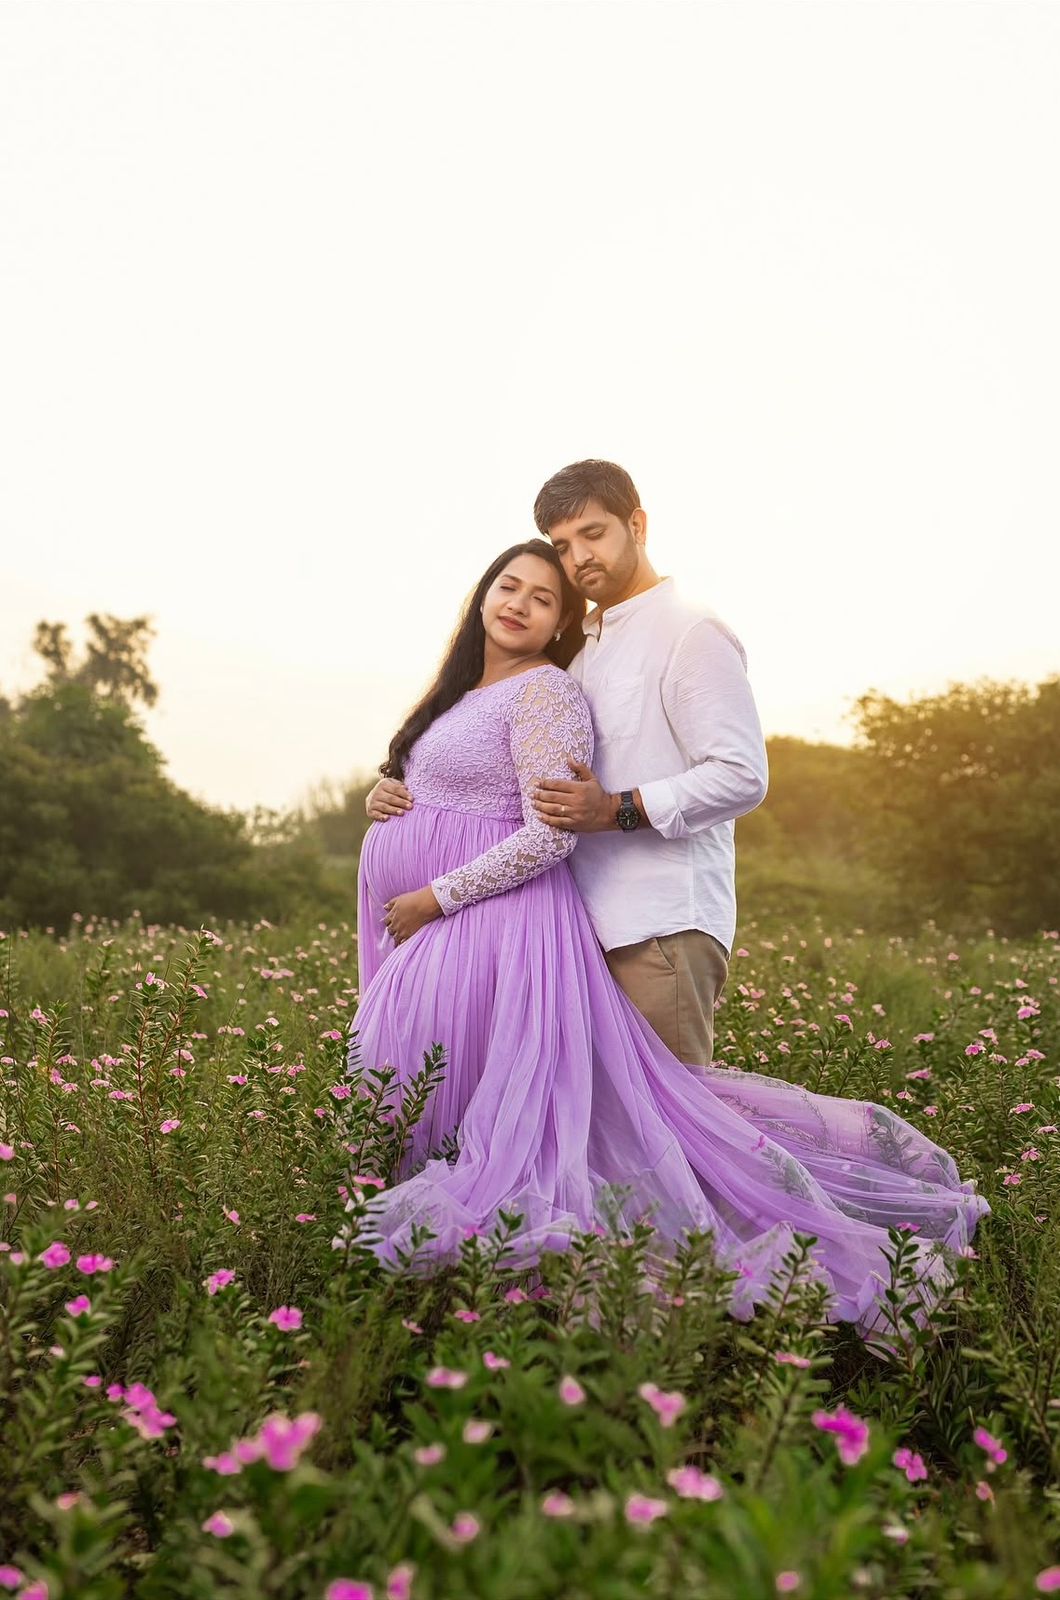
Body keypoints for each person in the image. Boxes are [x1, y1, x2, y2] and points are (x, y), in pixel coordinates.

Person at [352, 539, 989, 1337]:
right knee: (540, 1118)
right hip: (465, 930)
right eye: (508, 586)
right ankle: (522, 1318)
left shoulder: (568, 683)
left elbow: (565, 827)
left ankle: (691, 1319)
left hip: (505, 927)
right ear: (482, 594)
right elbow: (458, 787)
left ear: (563, 623)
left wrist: (434, 898)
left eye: (543, 598)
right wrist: (390, 789)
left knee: (650, 1139)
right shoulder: (462, 690)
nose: (520, 603)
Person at [373, 459, 768, 1070]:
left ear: (637, 524)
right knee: (606, 1142)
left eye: (593, 533)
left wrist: (617, 808)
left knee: (673, 1128)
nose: (579, 555)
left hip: (658, 925)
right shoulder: (587, 650)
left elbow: (742, 775)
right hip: (576, 928)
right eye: (563, 544)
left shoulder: (691, 631)